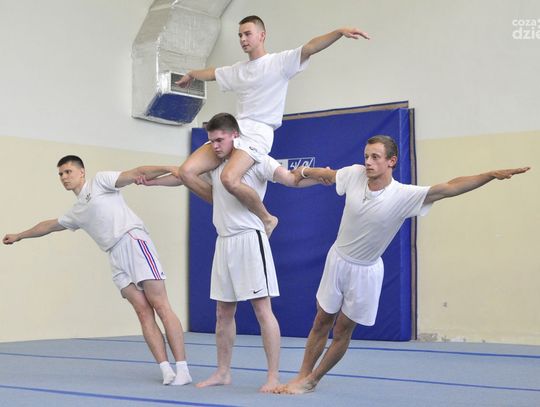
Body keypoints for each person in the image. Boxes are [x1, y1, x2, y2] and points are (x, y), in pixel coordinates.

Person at [274, 135, 530, 394]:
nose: (368, 162)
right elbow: (328, 175)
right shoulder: (354, 174)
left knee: (342, 330)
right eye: (366, 156)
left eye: (375, 157)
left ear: (391, 161)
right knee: (321, 321)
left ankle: (312, 380)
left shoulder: (404, 195)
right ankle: (302, 374)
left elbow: (450, 187)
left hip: (365, 271)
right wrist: (304, 171)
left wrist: (489, 175)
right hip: (337, 260)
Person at [140, 112, 318, 392]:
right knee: (223, 313)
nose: (215, 146)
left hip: (250, 238)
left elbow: (290, 179)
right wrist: (153, 182)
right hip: (224, 242)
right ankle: (223, 372)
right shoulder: (216, 164)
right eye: (211, 141)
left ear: (235, 135)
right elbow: (181, 175)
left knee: (262, 309)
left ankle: (273, 376)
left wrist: (321, 176)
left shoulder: (256, 158)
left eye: (220, 140)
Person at [3, 157, 193, 386]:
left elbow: (137, 172)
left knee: (161, 305)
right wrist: (19, 236)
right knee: (143, 312)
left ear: (82, 172)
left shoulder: (100, 181)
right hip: (114, 255)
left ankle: (183, 369)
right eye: (60, 174)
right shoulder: (76, 211)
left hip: (132, 240)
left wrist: (168, 168)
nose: (64, 177)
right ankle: (166, 370)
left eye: (68, 171)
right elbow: (49, 226)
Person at [175, 15, 370, 237]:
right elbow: (212, 73)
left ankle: (267, 218)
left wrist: (339, 32)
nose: (243, 39)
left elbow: (310, 47)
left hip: (258, 132)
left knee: (228, 178)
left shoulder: (279, 63)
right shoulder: (238, 70)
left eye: (247, 34)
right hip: (237, 131)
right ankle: (224, 205)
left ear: (262, 35)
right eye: (240, 35)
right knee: (186, 172)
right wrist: (192, 74)